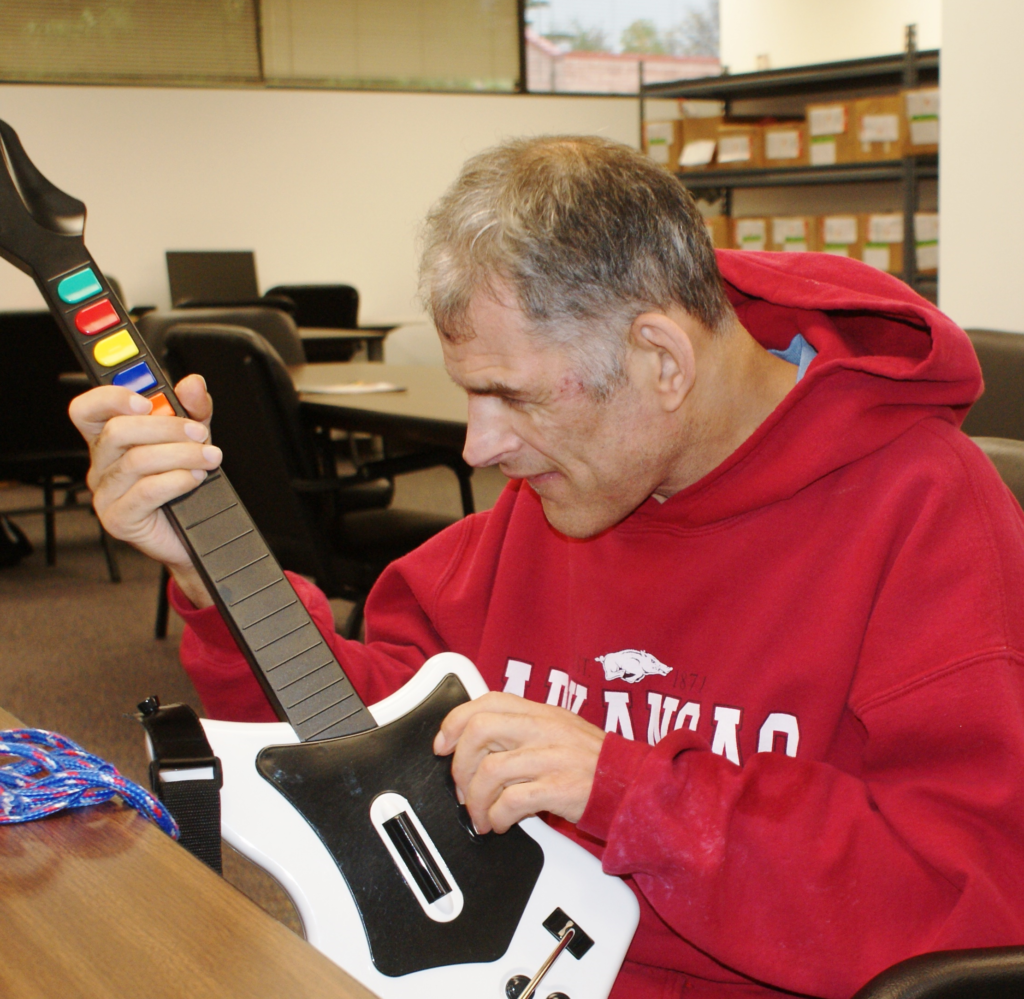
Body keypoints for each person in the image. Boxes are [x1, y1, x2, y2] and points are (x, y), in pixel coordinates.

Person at [71, 136, 1024, 999]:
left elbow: (972, 895)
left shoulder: (925, 512)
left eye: (510, 397)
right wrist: (211, 574)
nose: (480, 448)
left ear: (661, 359)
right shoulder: (574, 486)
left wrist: (629, 789)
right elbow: (375, 730)